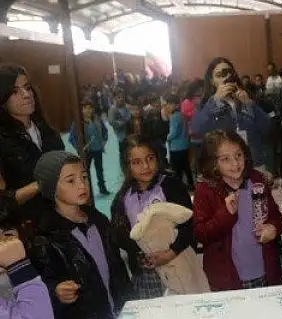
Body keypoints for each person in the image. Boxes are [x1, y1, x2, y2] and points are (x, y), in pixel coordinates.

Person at [29, 151, 132, 318]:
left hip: (118, 311)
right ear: (51, 187)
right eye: (71, 180)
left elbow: (118, 267)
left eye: (84, 177)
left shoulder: (99, 220)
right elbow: (38, 285)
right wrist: (55, 291)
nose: (82, 185)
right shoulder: (45, 237)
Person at [192, 130, 282, 291]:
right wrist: (226, 214)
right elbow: (201, 233)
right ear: (213, 163)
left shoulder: (257, 180)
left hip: (265, 271)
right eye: (225, 159)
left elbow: (276, 218)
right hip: (227, 279)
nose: (235, 164)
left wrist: (273, 228)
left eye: (239, 155)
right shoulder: (205, 190)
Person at [110, 136, 195, 299]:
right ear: (127, 166)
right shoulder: (122, 199)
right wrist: (141, 256)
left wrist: (171, 252)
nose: (145, 166)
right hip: (146, 272)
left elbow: (189, 224)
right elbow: (121, 236)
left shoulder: (171, 186)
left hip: (178, 261)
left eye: (150, 158)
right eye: (136, 162)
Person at [0, 64, 65, 241]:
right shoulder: (3, 142)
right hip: (30, 234)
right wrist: (41, 183)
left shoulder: (49, 134)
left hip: (63, 221)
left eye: (27, 88)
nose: (26, 94)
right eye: (15, 91)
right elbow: (3, 202)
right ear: (3, 100)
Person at [192, 57, 271, 170]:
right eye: (219, 75)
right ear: (212, 81)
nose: (226, 78)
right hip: (226, 168)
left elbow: (267, 128)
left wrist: (250, 105)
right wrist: (216, 101)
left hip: (254, 164)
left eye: (229, 73)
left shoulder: (246, 98)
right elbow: (197, 131)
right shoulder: (207, 105)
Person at [0, 198, 53, 319]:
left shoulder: (34, 259)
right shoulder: (22, 267)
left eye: (8, 235)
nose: (4, 244)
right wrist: (19, 268)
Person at [69, 100, 109, 195]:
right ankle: (87, 190)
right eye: (85, 108)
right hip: (87, 151)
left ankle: (102, 188)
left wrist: (103, 142)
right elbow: (71, 138)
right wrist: (80, 148)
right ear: (81, 110)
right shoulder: (78, 123)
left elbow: (105, 131)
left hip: (98, 150)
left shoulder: (97, 119)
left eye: (90, 108)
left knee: (99, 169)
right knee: (85, 172)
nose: (88, 110)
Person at [164, 94, 194, 188]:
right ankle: (191, 184)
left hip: (176, 147)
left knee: (177, 170)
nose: (167, 106)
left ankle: (179, 187)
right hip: (185, 145)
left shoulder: (174, 117)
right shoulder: (183, 115)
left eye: (169, 104)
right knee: (186, 167)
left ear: (176, 104)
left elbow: (173, 133)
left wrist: (166, 137)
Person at [108, 88, 132, 160]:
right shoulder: (113, 109)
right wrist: (121, 123)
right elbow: (111, 122)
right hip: (118, 136)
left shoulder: (125, 107)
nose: (121, 99)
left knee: (127, 151)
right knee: (122, 153)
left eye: (122, 97)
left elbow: (128, 116)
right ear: (114, 98)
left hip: (126, 133)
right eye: (118, 97)